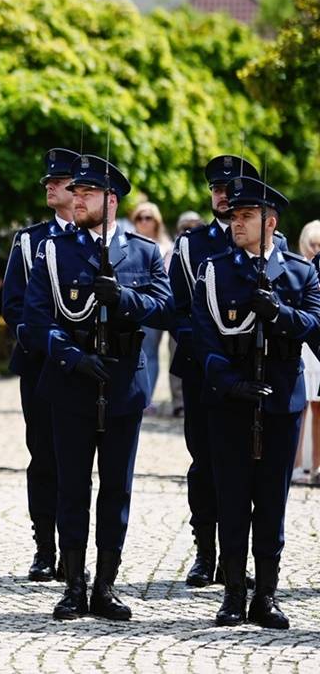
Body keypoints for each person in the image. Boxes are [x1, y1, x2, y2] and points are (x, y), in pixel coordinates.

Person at [23, 153, 172, 621]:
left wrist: (124, 298)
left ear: (111, 200)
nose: (77, 198)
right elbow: (35, 319)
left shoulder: (143, 251)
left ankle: (106, 585)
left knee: (116, 489)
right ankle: (74, 585)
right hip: (72, 382)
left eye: (87, 193)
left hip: (123, 382)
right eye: (76, 191)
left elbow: (166, 308)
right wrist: (72, 357)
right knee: (71, 487)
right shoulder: (54, 251)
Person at [191, 175, 320, 628]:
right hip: (230, 401)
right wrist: (230, 384)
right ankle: (232, 594)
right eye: (234, 216)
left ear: (271, 222)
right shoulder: (215, 270)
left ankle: (266, 594)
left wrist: (279, 313)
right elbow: (204, 339)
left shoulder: (301, 272)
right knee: (231, 498)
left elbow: (315, 326)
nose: (237, 223)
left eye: (247, 216)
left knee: (271, 502)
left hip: (280, 400)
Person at [167, 155, 283, 589]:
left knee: (253, 469)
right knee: (205, 464)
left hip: (257, 372)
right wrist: (207, 350)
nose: (222, 196)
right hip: (204, 370)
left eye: (230, 189)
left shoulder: (270, 242)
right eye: (216, 189)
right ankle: (206, 552)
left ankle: (240, 561)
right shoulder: (192, 245)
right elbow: (177, 309)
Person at [0, 147, 77, 582]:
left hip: (86, 368)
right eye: (48, 181)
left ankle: (75, 550)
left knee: (78, 464)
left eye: (59, 182)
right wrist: (47, 340)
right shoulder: (30, 241)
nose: (50, 186)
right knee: (44, 458)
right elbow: (13, 304)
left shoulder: (100, 241)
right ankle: (45, 546)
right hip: (41, 364)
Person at [130, 201, 172, 413]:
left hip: (155, 304)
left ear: (156, 221)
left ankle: (147, 397)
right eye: (139, 217)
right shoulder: (127, 243)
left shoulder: (166, 245)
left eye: (148, 217)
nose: (143, 222)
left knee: (151, 352)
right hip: (131, 304)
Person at [169, 211, 204, 416]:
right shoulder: (184, 245)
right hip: (191, 332)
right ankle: (178, 401)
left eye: (193, 225)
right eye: (184, 227)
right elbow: (175, 302)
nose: (188, 230)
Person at [295, 220, 320, 485]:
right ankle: (296, 465)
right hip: (303, 345)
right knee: (300, 405)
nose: (316, 249)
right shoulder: (299, 269)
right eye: (313, 244)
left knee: (318, 408)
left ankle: (316, 465)